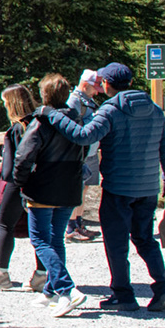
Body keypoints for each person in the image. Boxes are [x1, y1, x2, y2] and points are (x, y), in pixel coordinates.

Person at [41, 62, 165, 312]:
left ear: (107, 84)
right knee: (145, 239)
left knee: (117, 243)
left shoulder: (111, 110)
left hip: (119, 187)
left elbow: (84, 136)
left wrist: (53, 115)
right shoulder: (154, 109)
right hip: (148, 187)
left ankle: (123, 294)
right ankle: (164, 287)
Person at [12, 73, 88, 316]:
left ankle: (67, 290)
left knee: (40, 240)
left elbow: (23, 157)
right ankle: (50, 291)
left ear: (43, 95)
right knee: (56, 240)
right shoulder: (77, 121)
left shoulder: (40, 123)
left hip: (43, 188)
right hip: (69, 188)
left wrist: (21, 182)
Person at [0, 85, 44, 292]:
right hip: (39, 182)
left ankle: (1, 274)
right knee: (40, 229)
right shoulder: (39, 122)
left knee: (5, 225)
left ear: (13, 103)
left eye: (6, 102)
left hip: (16, 183)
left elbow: (13, 162)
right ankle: (41, 275)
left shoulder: (18, 128)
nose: (5, 106)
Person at [66, 69, 105, 242]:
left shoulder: (87, 100)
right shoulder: (74, 101)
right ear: (85, 85)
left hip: (90, 151)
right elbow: (72, 124)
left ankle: (79, 224)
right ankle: (71, 226)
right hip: (80, 153)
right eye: (95, 87)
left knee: (85, 188)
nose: (97, 91)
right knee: (77, 189)